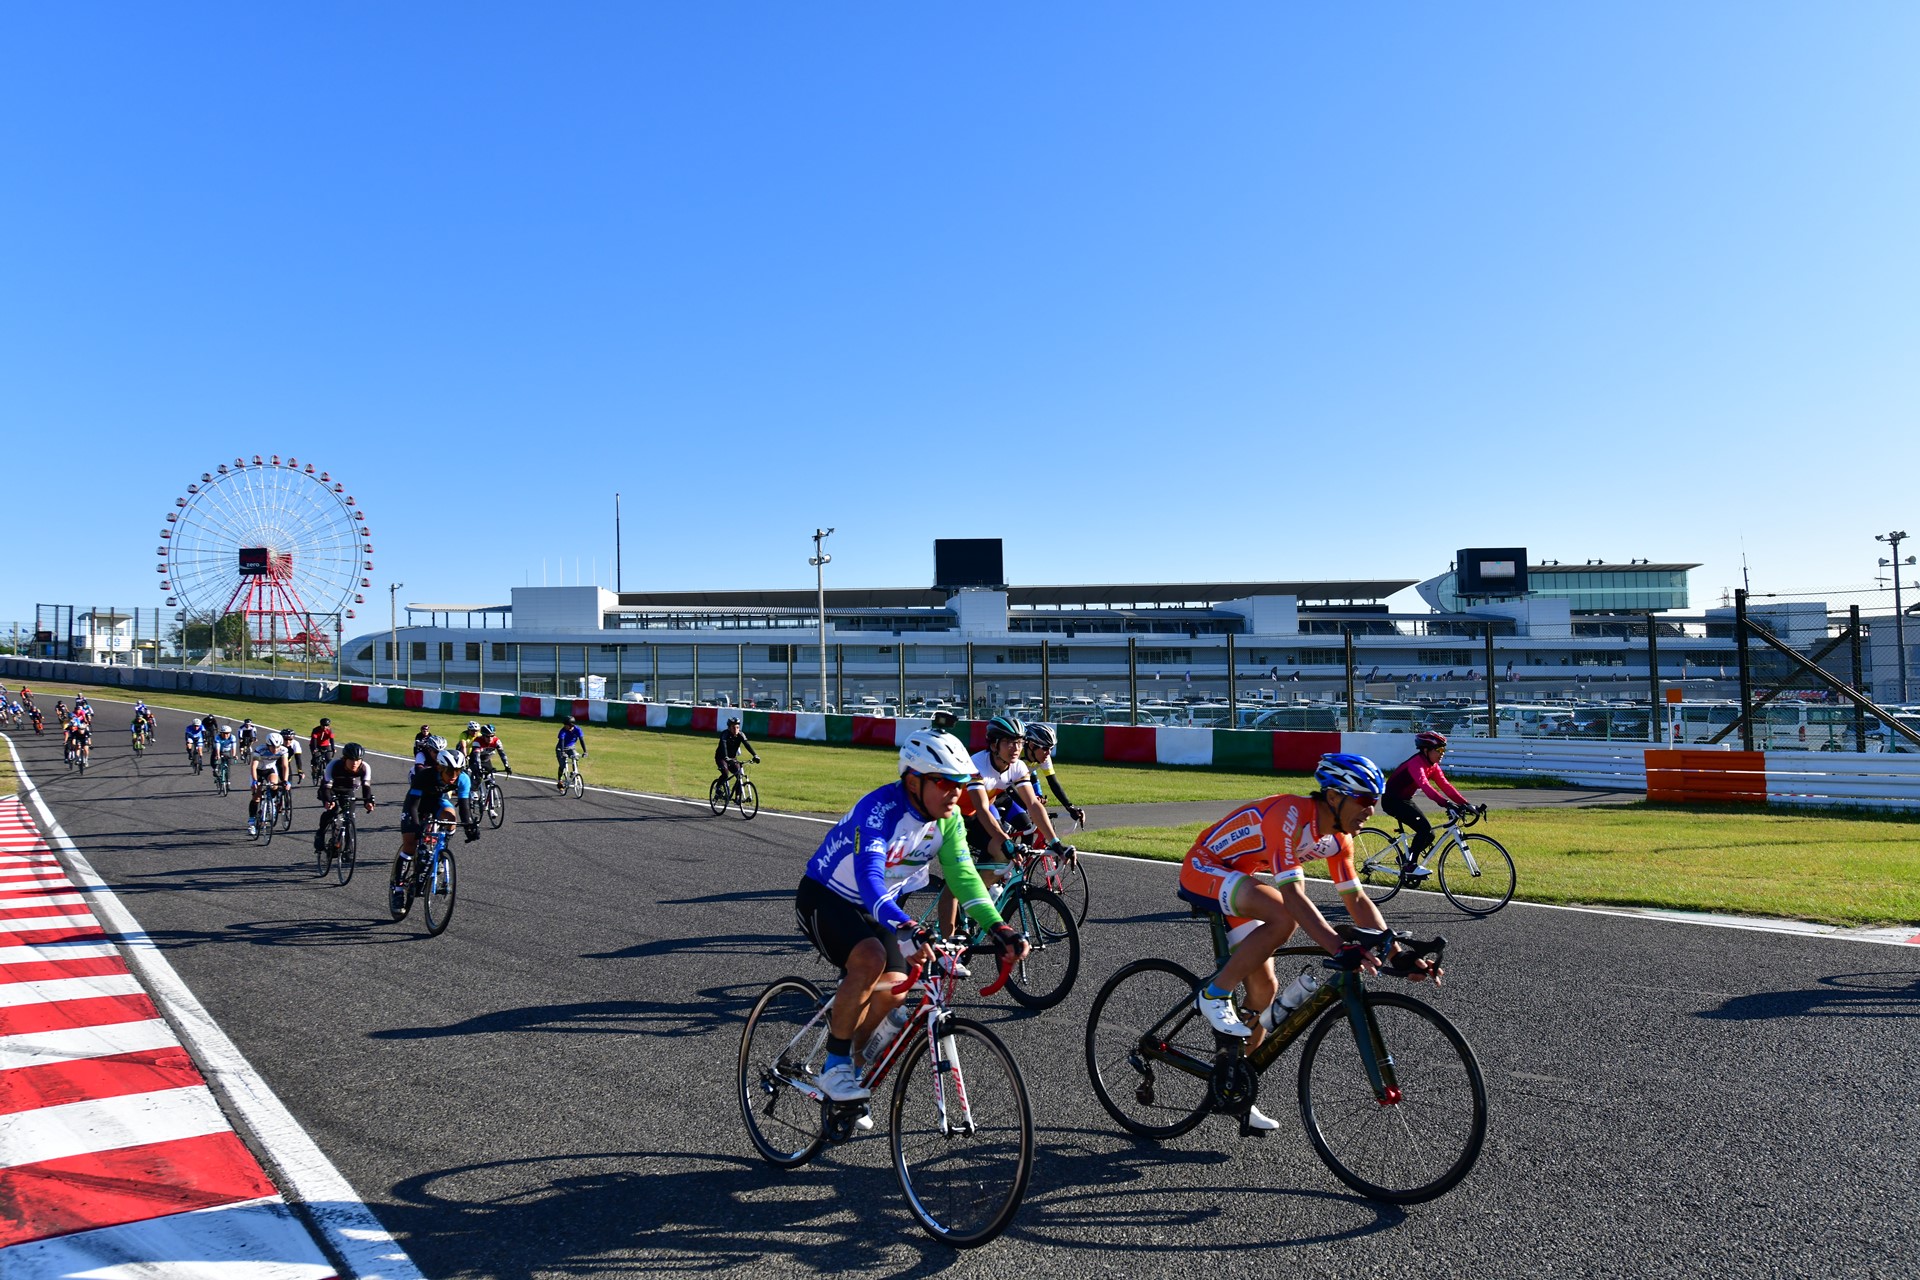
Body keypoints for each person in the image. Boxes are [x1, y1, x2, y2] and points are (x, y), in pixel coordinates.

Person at [1178, 753, 1440, 1126]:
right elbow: (1294, 897)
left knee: (1264, 991)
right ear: (1334, 797)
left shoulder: (1338, 840)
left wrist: (1395, 953)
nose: (1370, 811)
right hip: (1205, 866)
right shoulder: (1288, 816)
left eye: (1374, 802)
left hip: (1240, 876)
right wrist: (1337, 945)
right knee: (1284, 915)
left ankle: (1234, 1086)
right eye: (1364, 801)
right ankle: (1214, 994)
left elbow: (1356, 899)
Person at [794, 729, 1029, 1103]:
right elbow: (869, 881)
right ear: (913, 780)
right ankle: (833, 1065)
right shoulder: (879, 812)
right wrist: (906, 927)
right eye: (945, 783)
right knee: (870, 959)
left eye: (960, 784)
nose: (956, 793)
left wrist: (999, 928)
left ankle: (852, 1065)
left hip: (881, 907)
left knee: (896, 987)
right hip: (828, 897)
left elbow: (965, 878)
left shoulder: (947, 819)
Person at [934, 715, 1065, 947]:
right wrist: (1004, 838)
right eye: (1010, 742)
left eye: (1020, 742)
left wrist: (1055, 842)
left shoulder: (1018, 766)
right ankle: (947, 947)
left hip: (974, 818)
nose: (1016, 748)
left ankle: (974, 899)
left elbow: (1033, 804)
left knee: (1003, 855)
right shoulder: (976, 766)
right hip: (952, 818)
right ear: (994, 744)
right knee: (957, 882)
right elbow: (983, 809)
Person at [1382, 732, 1482, 875]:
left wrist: (1466, 804)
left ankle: (1405, 858)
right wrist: (1446, 804)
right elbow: (1426, 788)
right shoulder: (1416, 763)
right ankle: (1411, 866)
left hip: (1404, 800)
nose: (1442, 753)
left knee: (1429, 835)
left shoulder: (1432, 765)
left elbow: (1446, 786)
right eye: (1439, 750)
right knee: (1424, 829)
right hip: (1392, 801)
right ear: (1426, 750)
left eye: (1444, 750)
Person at [392, 744, 473, 913]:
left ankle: (441, 850)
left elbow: (464, 807)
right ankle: (398, 890)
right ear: (439, 767)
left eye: (457, 772)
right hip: (417, 804)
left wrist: (469, 826)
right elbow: (413, 806)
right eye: (450, 772)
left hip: (437, 801)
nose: (453, 776)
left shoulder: (463, 778)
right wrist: (416, 827)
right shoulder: (424, 776)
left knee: (451, 818)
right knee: (410, 844)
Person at [1016, 722, 1086, 828]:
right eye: (1045, 748)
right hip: (1003, 784)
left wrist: (1070, 807)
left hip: (1026, 778)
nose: (1049, 753)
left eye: (1051, 748)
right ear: (1031, 745)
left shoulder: (1044, 757)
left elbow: (1053, 782)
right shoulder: (1015, 754)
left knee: (1033, 822)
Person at [314, 742, 374, 855]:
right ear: (345, 759)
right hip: (330, 789)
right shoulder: (334, 765)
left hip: (347, 791)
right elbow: (326, 787)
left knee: (350, 817)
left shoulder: (365, 767)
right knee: (333, 810)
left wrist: (368, 802)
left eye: (358, 759)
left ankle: (348, 849)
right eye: (351, 759)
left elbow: (366, 787)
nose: (355, 763)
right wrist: (328, 800)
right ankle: (320, 833)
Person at [246, 731, 289, 837]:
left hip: (270, 769)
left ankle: (271, 803)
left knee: (274, 784)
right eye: (272, 747)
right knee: (256, 796)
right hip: (258, 771)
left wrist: (285, 780)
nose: (275, 750)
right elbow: (253, 767)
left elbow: (285, 766)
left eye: (277, 747)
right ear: (267, 745)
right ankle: (251, 823)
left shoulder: (283, 750)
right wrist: (255, 781)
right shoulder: (259, 750)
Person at [714, 719, 760, 793]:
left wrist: (755, 755)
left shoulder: (740, 735)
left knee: (739, 776)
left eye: (738, 727)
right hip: (721, 757)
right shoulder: (725, 734)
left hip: (732, 758)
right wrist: (726, 757)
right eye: (733, 727)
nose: (736, 730)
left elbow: (747, 745)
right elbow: (724, 746)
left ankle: (737, 796)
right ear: (729, 728)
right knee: (725, 774)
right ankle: (718, 787)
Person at [554, 716, 586, 791]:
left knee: (575, 757)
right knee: (562, 765)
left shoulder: (578, 729)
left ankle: (574, 773)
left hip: (571, 747)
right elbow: (561, 741)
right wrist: (562, 752)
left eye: (566, 725)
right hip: (561, 748)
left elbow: (581, 740)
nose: (564, 726)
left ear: (571, 725)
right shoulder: (563, 731)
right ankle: (560, 780)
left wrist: (585, 751)